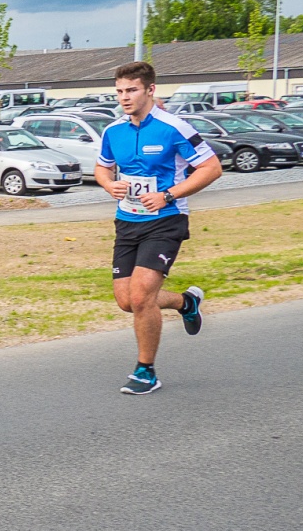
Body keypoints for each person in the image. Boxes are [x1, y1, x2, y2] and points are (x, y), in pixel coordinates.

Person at [94, 61, 223, 395]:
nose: (124, 97)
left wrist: (168, 195)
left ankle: (145, 371)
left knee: (140, 297)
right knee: (126, 300)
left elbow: (211, 167)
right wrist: (110, 185)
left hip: (166, 222)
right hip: (127, 221)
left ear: (150, 90)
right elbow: (101, 168)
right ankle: (185, 302)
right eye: (120, 91)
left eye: (132, 90)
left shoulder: (173, 127)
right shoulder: (113, 131)